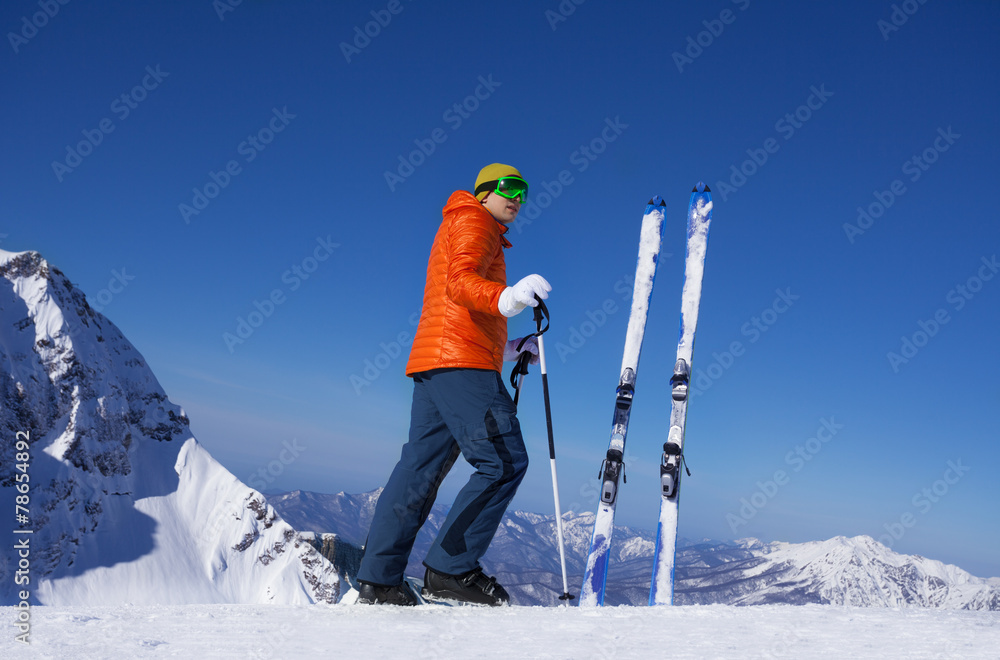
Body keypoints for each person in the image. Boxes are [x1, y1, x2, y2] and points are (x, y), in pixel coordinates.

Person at [356, 163, 551, 606]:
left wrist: (510, 347)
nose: (517, 197)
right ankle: (451, 569)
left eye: (523, 190)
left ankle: (379, 578)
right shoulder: (475, 220)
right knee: (503, 461)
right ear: (484, 192)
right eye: (508, 187)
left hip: (438, 361)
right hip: (462, 365)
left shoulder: (464, 222)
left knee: (420, 469)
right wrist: (510, 297)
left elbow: (455, 307)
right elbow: (461, 282)